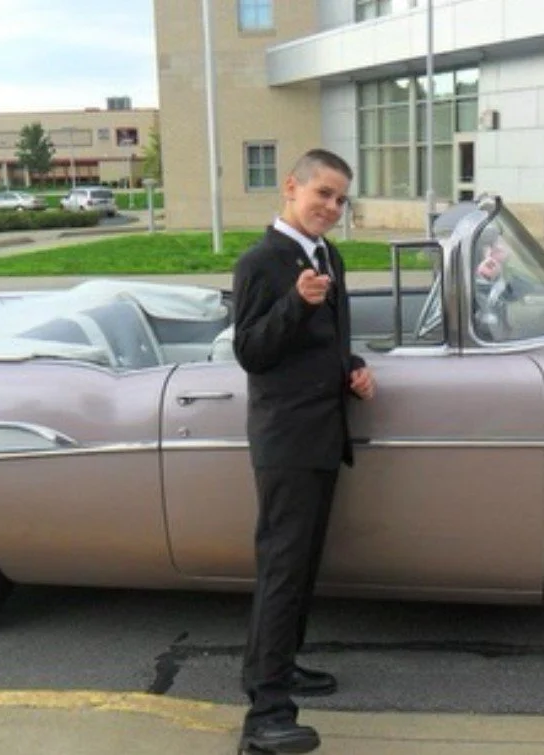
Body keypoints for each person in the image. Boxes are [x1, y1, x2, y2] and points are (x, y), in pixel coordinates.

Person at [231, 148, 376, 754]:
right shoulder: (261, 262)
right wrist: (296, 302)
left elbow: (329, 342)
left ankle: (281, 665)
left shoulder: (328, 256)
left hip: (322, 436)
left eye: (341, 199)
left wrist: (355, 368)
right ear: (291, 187)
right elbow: (251, 351)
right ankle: (265, 715)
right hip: (286, 440)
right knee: (283, 570)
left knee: (304, 564)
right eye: (323, 194)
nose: (332, 208)